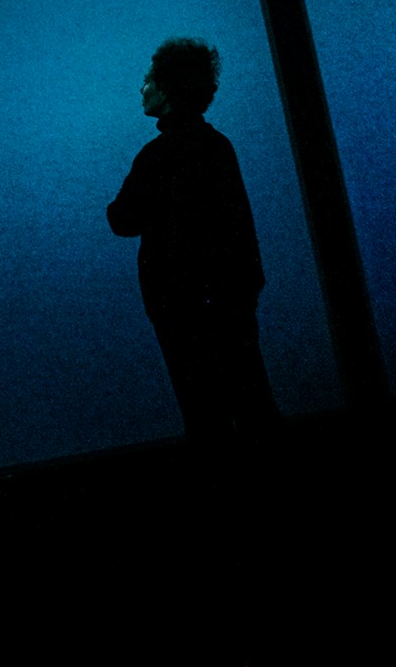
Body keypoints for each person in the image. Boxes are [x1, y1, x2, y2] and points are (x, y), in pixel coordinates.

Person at [108, 38, 277, 443]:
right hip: (230, 300)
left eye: (149, 80)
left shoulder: (156, 156)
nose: (142, 88)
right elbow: (240, 224)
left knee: (202, 410)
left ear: (167, 89)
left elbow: (122, 219)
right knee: (251, 399)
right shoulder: (218, 147)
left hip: (178, 305)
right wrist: (246, 288)